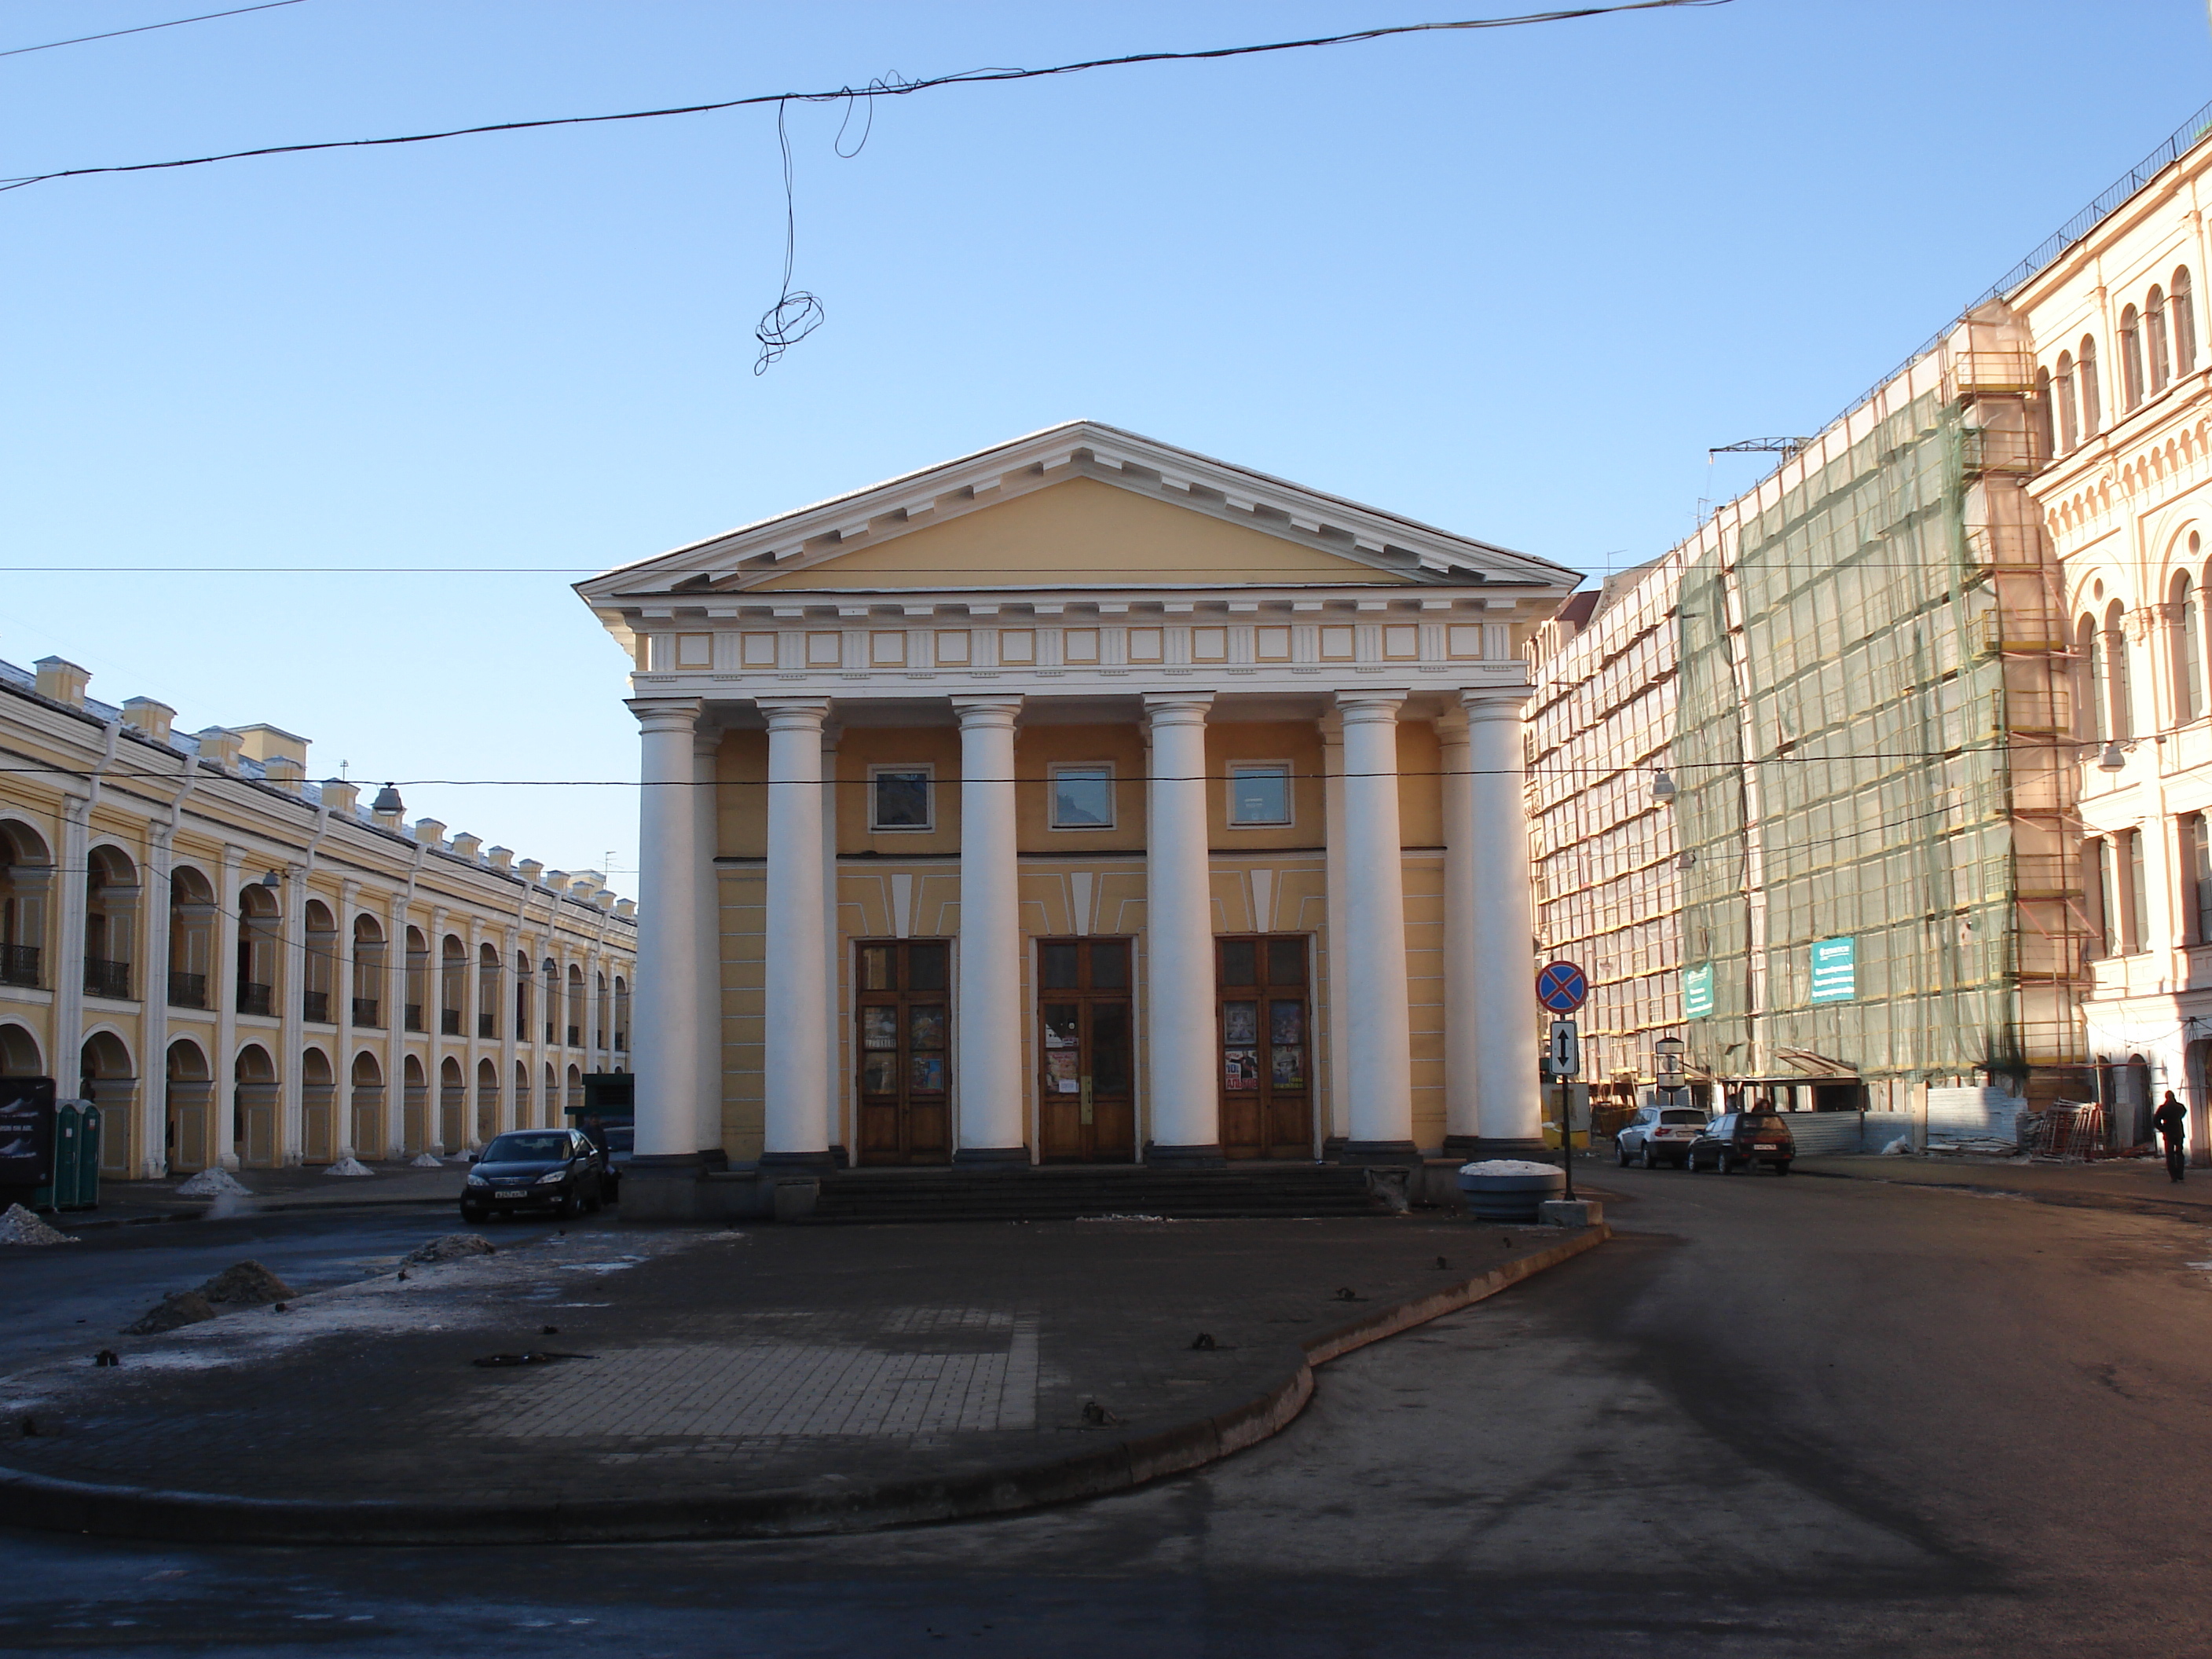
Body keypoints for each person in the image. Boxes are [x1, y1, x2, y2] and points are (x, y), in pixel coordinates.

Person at [2153, 1091, 2188, 1184]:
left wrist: (2162, 1129)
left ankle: (2173, 1175)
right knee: (2179, 1153)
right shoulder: (2179, 1107)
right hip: (2178, 1131)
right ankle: (2180, 1173)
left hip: (2168, 1132)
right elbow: (2183, 1113)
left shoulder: (2163, 1108)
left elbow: (2156, 1120)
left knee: (2170, 1154)